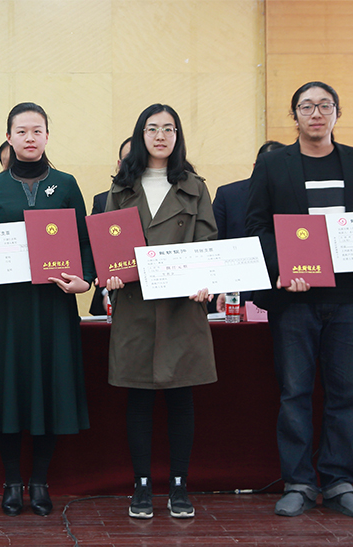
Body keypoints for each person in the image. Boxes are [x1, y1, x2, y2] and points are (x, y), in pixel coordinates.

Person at [246, 81, 353, 519]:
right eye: (306, 106)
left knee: (346, 393)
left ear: (337, 113)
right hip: (295, 299)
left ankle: (340, 481)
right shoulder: (273, 165)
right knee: (295, 393)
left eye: (325, 105)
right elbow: (257, 226)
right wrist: (283, 268)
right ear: (294, 116)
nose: (316, 114)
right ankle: (299, 482)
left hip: (347, 298)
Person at [0, 102, 94, 517]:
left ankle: (40, 481)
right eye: (21, 131)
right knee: (9, 391)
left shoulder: (66, 184)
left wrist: (85, 280)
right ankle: (12, 481)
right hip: (6, 309)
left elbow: (85, 242)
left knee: (50, 389)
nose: (29, 138)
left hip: (53, 306)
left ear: (47, 136)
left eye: (37, 131)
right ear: (9, 137)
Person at [105, 104, 217, 520]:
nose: (161, 136)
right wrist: (110, 275)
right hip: (135, 305)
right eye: (152, 129)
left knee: (180, 396)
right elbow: (108, 244)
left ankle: (179, 486)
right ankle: (141, 486)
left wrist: (206, 278)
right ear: (141, 136)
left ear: (177, 136)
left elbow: (207, 242)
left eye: (169, 129)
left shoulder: (194, 186)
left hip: (181, 307)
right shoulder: (122, 187)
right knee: (138, 396)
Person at [212, 141, 285, 313]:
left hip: (282, 293)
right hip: (236, 294)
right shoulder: (228, 195)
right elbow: (216, 245)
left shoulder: (296, 198)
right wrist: (223, 286)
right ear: (255, 167)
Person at [89, 137, 132, 316]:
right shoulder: (103, 201)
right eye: (129, 159)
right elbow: (94, 249)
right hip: (111, 294)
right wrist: (106, 290)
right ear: (119, 165)